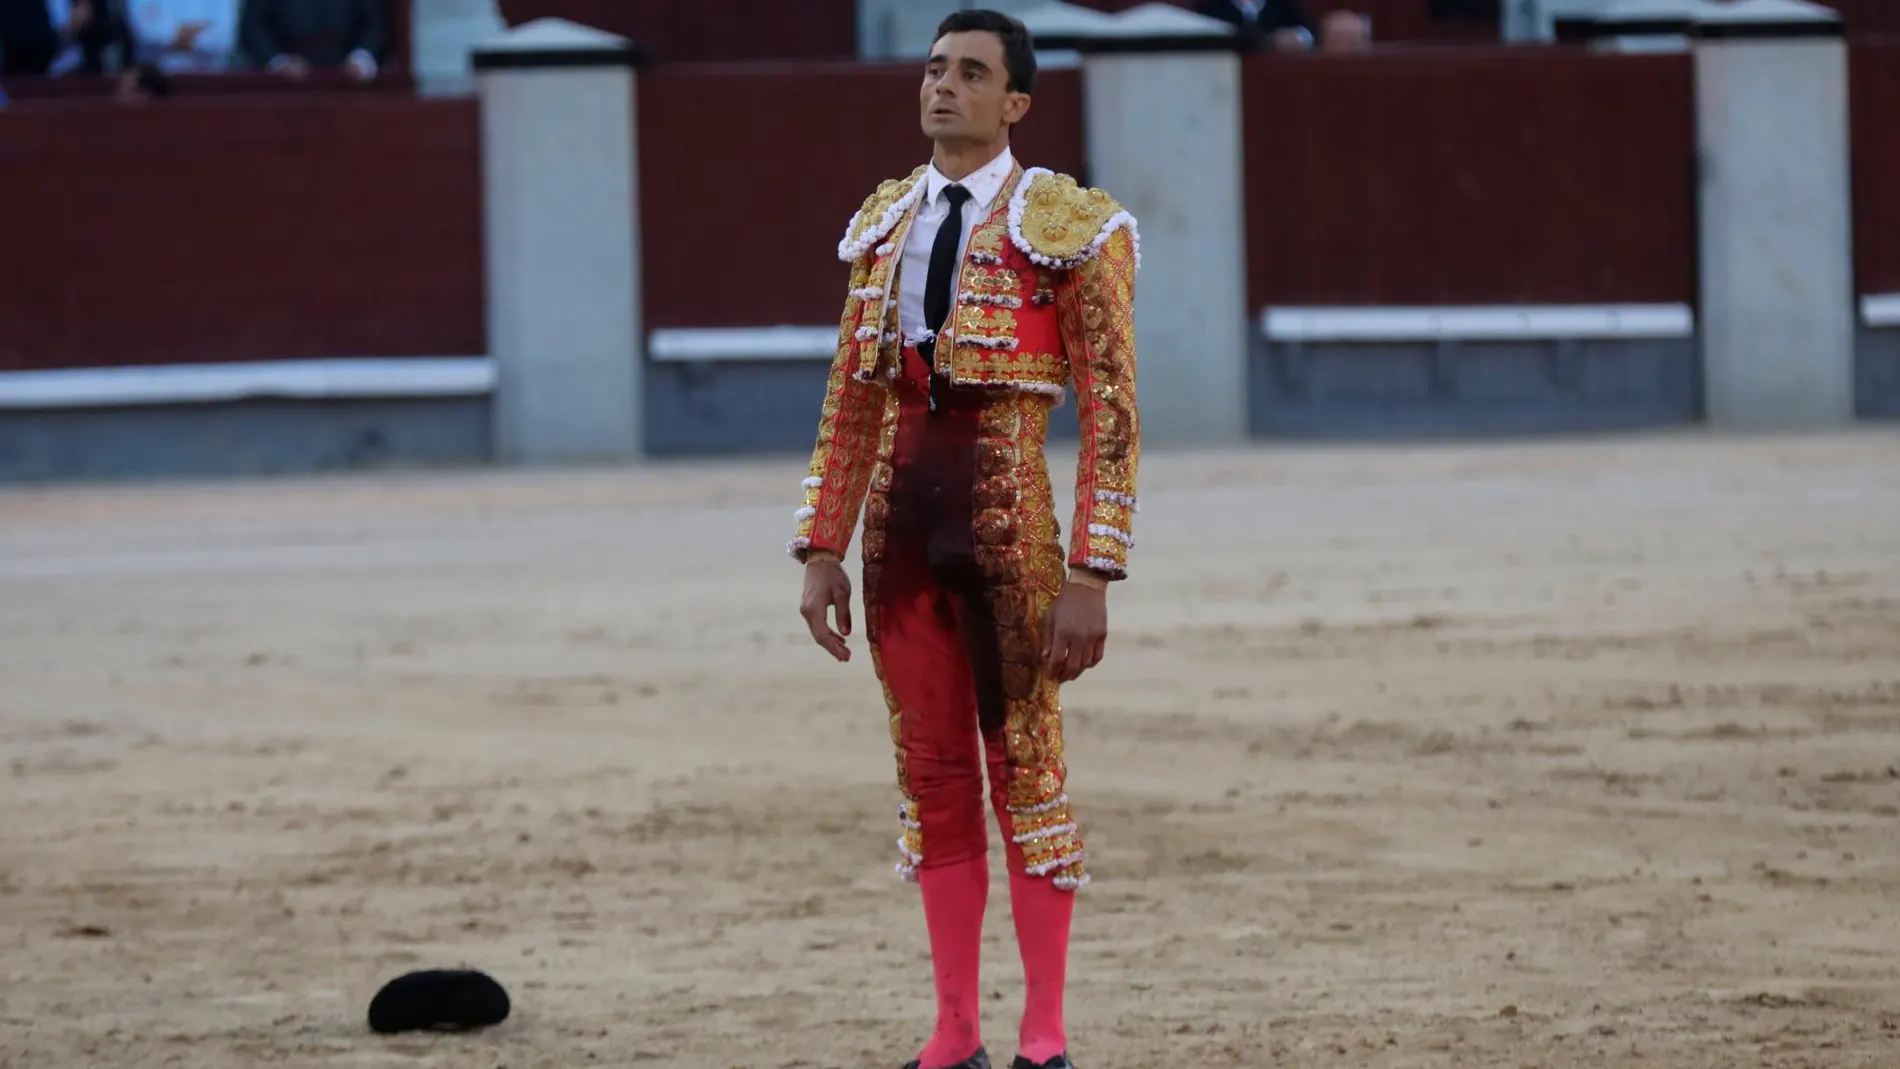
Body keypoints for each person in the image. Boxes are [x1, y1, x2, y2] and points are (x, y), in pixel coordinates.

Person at [789, 10, 1140, 1069]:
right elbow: (851, 404)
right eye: (935, 68)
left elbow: (1112, 410)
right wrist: (819, 548)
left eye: (971, 73)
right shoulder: (882, 222)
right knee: (933, 777)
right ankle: (953, 1033)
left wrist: (1092, 572)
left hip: (1008, 534)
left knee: (1024, 772)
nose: (943, 87)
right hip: (898, 537)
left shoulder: (1073, 227)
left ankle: (1044, 1038)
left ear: (1015, 103)